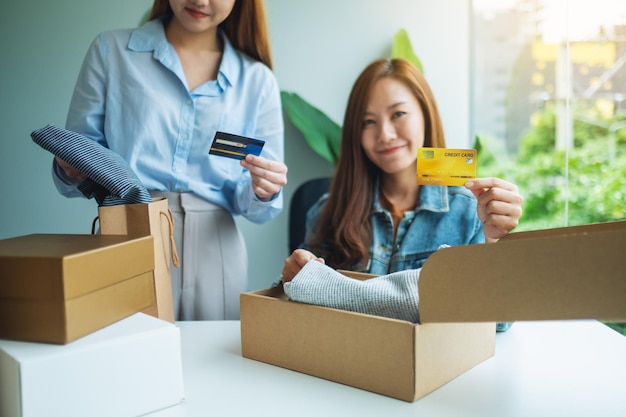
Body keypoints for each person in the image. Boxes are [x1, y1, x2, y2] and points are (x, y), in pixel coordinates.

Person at [53, 0, 287, 321]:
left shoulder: (258, 81)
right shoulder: (111, 51)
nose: (201, 1)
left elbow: (257, 204)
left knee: (213, 365)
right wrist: (72, 168)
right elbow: (80, 155)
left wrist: (264, 189)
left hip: (216, 249)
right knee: (127, 357)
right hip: (130, 232)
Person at [281, 58, 523, 330]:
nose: (384, 134)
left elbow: (499, 323)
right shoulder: (327, 211)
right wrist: (295, 277)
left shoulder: (470, 212)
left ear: (425, 114)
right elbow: (302, 311)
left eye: (398, 115)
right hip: (348, 364)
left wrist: (496, 243)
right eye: (368, 122)